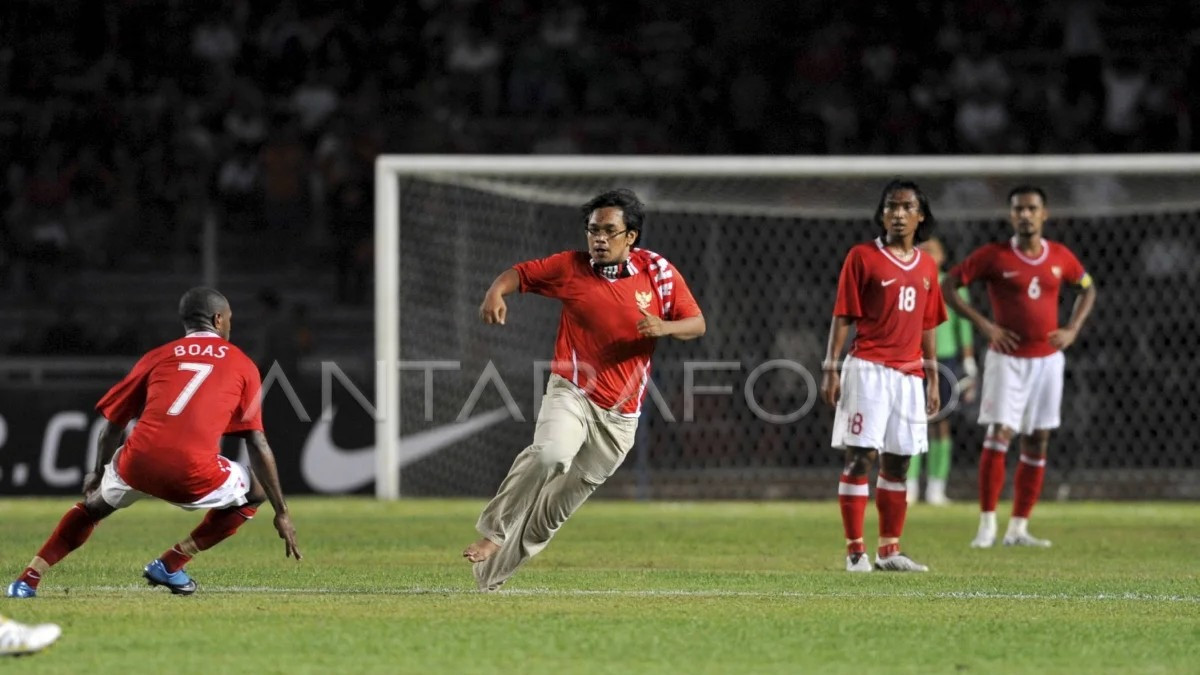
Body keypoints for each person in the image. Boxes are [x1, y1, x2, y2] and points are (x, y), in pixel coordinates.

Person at [461, 189, 706, 591]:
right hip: (573, 390)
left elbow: (696, 324)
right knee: (551, 455)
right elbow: (518, 275)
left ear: (632, 236)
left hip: (621, 418)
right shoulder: (570, 267)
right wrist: (495, 292)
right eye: (593, 230)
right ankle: (493, 531)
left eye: (610, 231)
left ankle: (487, 581)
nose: (599, 239)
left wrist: (666, 327)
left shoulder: (658, 272)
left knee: (549, 516)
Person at [6, 287, 301, 599]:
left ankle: (27, 580)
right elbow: (257, 442)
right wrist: (281, 511)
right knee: (255, 492)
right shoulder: (243, 365)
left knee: (93, 508)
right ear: (218, 320)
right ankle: (172, 563)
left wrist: (98, 472)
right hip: (193, 473)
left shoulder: (158, 356)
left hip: (138, 462)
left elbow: (113, 427)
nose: (230, 325)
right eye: (229, 319)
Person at [944, 186, 1097, 548]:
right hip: (1007, 361)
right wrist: (984, 325)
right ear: (1010, 215)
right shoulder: (994, 256)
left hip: (1047, 361)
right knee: (1000, 434)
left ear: (1045, 214)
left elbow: (1087, 288)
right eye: (1018, 209)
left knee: (1038, 438)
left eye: (1031, 208)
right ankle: (986, 525)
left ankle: (1019, 528)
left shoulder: (1060, 256)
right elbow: (949, 285)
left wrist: (1073, 328)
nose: (1025, 215)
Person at [821, 179, 947, 573]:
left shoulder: (927, 266)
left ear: (919, 216)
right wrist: (831, 366)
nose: (897, 213)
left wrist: (933, 376)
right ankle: (855, 551)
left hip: (909, 376)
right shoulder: (862, 257)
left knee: (899, 462)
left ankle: (889, 550)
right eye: (891, 207)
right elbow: (844, 314)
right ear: (881, 214)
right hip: (869, 369)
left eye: (906, 207)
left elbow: (928, 324)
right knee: (861, 456)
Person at [907, 237, 978, 505]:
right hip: (914, 358)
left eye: (931, 251)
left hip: (946, 359)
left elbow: (964, 324)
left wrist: (968, 361)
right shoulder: (910, 282)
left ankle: (936, 486)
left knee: (941, 421)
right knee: (913, 420)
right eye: (921, 250)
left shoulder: (951, 285)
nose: (925, 254)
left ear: (942, 256)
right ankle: (909, 485)